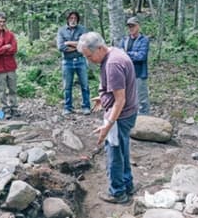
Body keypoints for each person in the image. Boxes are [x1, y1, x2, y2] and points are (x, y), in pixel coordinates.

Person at [77, 32, 138, 204]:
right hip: (127, 113)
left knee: (114, 153)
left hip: (119, 116)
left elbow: (120, 99)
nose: (89, 60)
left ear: (100, 48)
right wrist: (103, 97)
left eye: (90, 56)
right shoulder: (115, 53)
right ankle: (128, 185)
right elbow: (117, 90)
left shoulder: (112, 64)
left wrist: (108, 125)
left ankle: (117, 193)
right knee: (122, 149)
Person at [57, 11, 91, 115]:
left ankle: (86, 107)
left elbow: (85, 44)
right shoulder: (61, 31)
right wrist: (77, 46)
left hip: (81, 60)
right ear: (67, 19)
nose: (73, 20)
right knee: (67, 86)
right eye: (71, 18)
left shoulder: (82, 29)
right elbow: (61, 47)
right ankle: (68, 107)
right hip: (67, 62)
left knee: (84, 85)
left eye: (75, 18)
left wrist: (69, 43)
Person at [119, 16, 150, 115]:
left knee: (142, 99)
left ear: (138, 26)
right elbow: (119, 54)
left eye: (133, 26)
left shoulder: (144, 40)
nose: (131, 28)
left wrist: (127, 53)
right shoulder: (125, 40)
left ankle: (145, 120)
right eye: (129, 26)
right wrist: (130, 54)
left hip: (139, 73)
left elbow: (141, 56)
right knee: (129, 98)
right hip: (126, 74)